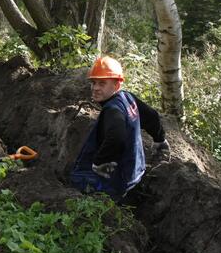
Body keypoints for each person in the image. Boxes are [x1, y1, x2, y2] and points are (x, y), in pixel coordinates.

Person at [70, 56, 170, 200]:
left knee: (77, 183)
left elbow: (117, 137)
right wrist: (160, 139)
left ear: (116, 85)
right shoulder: (127, 98)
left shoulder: (112, 110)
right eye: (94, 82)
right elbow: (152, 116)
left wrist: (100, 162)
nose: (95, 88)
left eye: (102, 83)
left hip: (117, 181)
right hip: (135, 170)